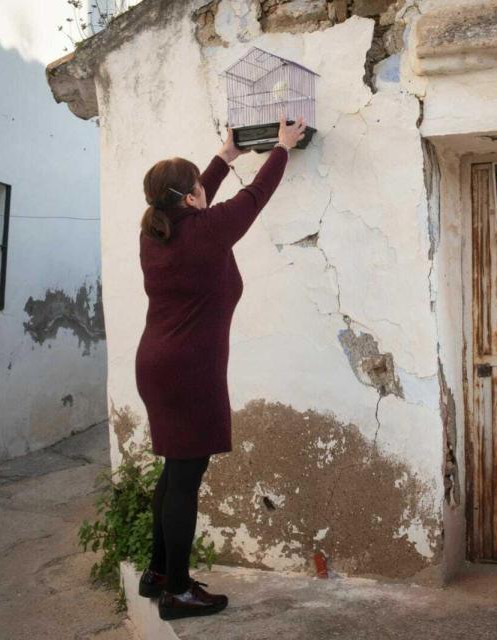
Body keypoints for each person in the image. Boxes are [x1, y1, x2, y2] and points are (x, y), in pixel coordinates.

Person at [134, 117, 307, 621]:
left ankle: (160, 573)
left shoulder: (155, 232)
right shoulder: (205, 231)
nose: (200, 196)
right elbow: (254, 198)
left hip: (158, 365)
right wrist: (282, 147)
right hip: (189, 371)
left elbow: (192, 202)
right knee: (186, 479)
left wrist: (222, 159)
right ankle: (178, 592)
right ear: (189, 199)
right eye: (196, 190)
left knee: (174, 469)